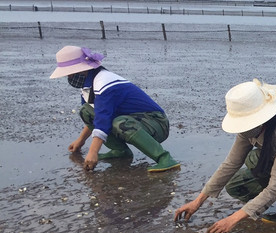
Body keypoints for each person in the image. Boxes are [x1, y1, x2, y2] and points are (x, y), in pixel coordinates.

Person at [174, 79, 276, 233]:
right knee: (235, 185)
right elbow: (231, 164)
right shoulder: (248, 130)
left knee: (254, 159)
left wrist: (233, 219)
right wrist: (198, 201)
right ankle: (275, 203)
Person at [50, 45, 180, 173]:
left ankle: (164, 158)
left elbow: (103, 119)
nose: (70, 78)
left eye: (71, 74)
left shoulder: (104, 82)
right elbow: (95, 114)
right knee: (85, 110)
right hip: (135, 120)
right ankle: (120, 151)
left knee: (121, 123)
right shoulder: (87, 86)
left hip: (156, 122)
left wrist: (93, 152)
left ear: (82, 70)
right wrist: (80, 140)